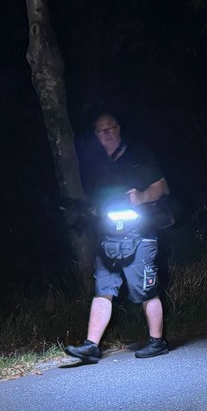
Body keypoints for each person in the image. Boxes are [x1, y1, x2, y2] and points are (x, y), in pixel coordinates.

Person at [65, 112, 171, 363]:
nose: (106, 135)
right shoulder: (95, 164)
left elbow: (162, 186)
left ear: (118, 129)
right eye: (100, 131)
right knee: (103, 289)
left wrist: (143, 197)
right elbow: (94, 199)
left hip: (139, 233)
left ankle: (157, 341)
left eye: (110, 129)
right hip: (108, 236)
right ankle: (91, 346)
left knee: (146, 289)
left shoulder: (138, 154)